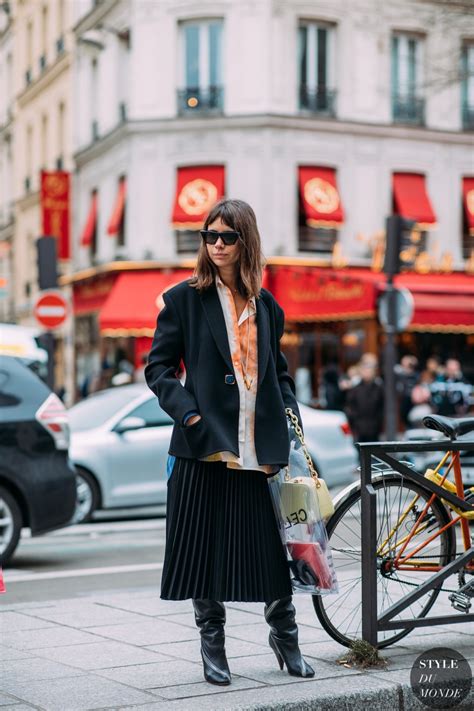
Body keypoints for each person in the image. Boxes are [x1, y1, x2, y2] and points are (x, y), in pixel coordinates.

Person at [145, 198, 314, 686]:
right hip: (203, 446)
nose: (216, 245)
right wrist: (189, 413)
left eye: (227, 237)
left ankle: (286, 636)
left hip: (257, 450)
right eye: (209, 236)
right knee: (202, 550)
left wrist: (289, 423)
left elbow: (279, 375)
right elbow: (158, 368)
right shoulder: (184, 300)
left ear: (246, 242)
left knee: (269, 549)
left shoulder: (268, 307)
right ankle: (212, 644)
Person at [345, 362, 384, 442]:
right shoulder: (356, 389)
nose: (367, 373)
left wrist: (378, 422)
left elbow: (381, 406)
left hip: (374, 426)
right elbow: (351, 406)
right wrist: (355, 422)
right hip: (359, 427)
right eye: (365, 371)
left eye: (369, 371)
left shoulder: (379, 388)